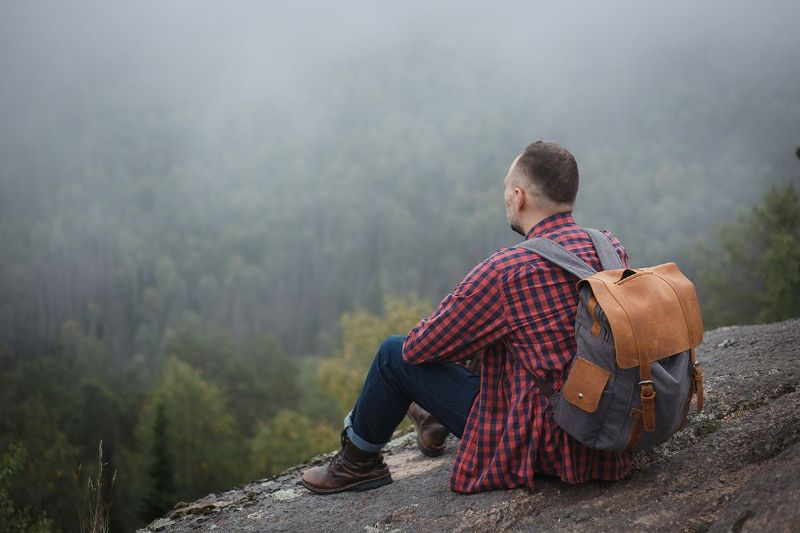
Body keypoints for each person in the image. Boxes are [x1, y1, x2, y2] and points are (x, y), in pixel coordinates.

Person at [301, 141, 635, 495]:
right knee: (501, 336)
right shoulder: (608, 246)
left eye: (507, 188)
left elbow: (419, 350)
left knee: (392, 354)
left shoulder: (506, 270)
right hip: (612, 428)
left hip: (549, 444)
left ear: (519, 196)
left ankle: (358, 462)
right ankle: (431, 420)